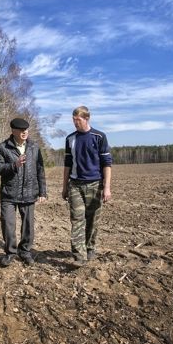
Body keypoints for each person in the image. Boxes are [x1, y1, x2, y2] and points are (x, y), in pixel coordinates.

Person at [61, 106, 112, 266]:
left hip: (95, 185)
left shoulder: (99, 137)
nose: (76, 123)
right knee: (77, 220)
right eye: (74, 120)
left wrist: (107, 187)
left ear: (87, 119)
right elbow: (67, 164)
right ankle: (79, 256)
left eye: (78, 120)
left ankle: (89, 248)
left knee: (92, 220)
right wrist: (64, 187)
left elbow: (107, 164)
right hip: (75, 184)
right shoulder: (70, 139)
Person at [0, 118, 47, 267]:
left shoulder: (34, 147)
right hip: (9, 194)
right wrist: (13, 165)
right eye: (21, 130)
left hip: (29, 192)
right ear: (13, 131)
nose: (25, 132)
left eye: (26, 130)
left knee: (28, 225)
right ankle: (10, 253)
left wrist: (42, 191)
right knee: (7, 223)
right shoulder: (3, 147)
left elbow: (40, 170)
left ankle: (25, 251)